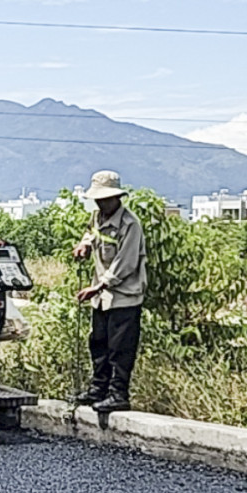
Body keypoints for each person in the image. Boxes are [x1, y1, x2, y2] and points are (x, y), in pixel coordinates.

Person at [71, 171, 145, 414]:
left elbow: (126, 263)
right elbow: (92, 233)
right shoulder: (97, 217)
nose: (101, 204)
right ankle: (98, 389)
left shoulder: (130, 225)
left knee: (119, 349)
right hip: (101, 299)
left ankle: (118, 394)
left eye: (105, 199)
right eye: (98, 200)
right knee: (99, 343)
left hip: (124, 296)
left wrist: (98, 286)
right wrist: (84, 244)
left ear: (116, 198)